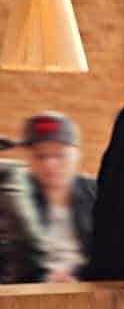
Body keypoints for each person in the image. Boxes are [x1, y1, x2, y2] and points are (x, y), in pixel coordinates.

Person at [21, 112, 96, 281]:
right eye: (40, 156)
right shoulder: (16, 195)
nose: (49, 164)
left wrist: (77, 274)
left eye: (59, 155)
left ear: (76, 154)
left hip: (89, 289)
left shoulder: (97, 193)